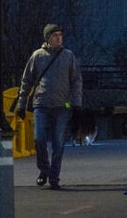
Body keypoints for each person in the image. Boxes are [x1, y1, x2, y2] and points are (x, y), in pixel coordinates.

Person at [15, 23, 83, 190]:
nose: (59, 38)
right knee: (39, 139)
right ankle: (44, 169)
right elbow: (27, 80)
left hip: (62, 105)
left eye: (60, 35)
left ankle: (54, 176)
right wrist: (21, 104)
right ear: (47, 38)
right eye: (55, 35)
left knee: (59, 143)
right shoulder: (37, 56)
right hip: (41, 104)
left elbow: (76, 80)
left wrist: (76, 104)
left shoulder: (68, 56)